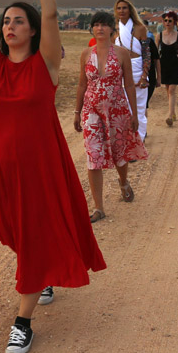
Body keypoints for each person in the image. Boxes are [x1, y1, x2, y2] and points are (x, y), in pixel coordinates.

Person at [0, 0, 106, 353]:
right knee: (14, 234)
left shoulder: (47, 65)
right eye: (5, 21)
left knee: (33, 233)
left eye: (18, 21)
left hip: (40, 167)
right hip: (2, 168)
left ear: (31, 29)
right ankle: (41, 271)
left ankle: (22, 323)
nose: (10, 26)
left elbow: (51, 12)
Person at [75, 12, 147, 223]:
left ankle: (123, 181)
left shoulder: (122, 53)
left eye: (104, 25)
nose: (100, 28)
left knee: (119, 152)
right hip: (92, 112)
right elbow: (81, 84)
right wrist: (77, 112)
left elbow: (129, 85)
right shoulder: (86, 54)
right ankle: (99, 208)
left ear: (111, 29)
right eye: (96, 25)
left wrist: (134, 114)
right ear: (92, 29)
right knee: (93, 155)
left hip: (117, 110)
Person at [113, 0, 150, 141]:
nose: (121, 11)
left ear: (130, 10)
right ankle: (127, 141)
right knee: (124, 109)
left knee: (139, 108)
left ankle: (138, 140)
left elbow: (147, 54)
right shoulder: (113, 29)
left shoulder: (140, 28)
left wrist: (144, 75)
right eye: (119, 8)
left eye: (124, 8)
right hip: (121, 71)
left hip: (138, 69)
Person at [157, 12, 178, 127]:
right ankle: (173, 112)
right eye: (165, 20)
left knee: (172, 90)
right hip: (164, 64)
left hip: (176, 64)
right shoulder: (159, 35)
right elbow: (155, 53)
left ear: (174, 22)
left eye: (170, 21)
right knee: (167, 89)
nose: (167, 23)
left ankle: (169, 116)